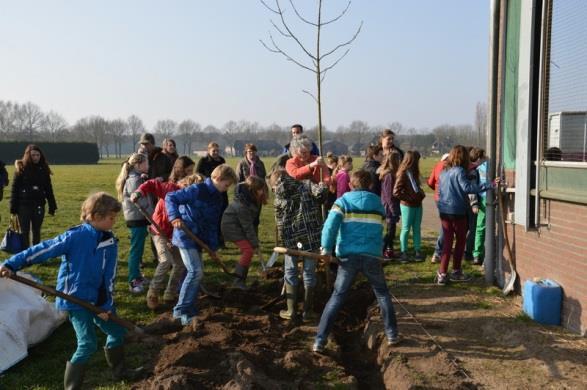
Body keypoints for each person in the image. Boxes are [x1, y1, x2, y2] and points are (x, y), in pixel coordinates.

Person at [0, 192, 141, 389]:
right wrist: (12, 264)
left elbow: (109, 277)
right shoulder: (75, 237)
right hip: (74, 300)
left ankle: (121, 372)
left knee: (116, 332)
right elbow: (43, 249)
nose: (114, 221)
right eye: (111, 217)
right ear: (96, 216)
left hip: (99, 300)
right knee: (87, 344)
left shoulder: (110, 243)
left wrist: (106, 305)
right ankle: (71, 387)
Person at [312, 170, 400, 353]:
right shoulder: (377, 203)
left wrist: (326, 250)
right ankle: (392, 334)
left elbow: (330, 227)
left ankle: (319, 341)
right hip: (372, 256)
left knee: (337, 296)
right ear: (370, 186)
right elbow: (382, 229)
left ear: (351, 185)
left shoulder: (342, 202)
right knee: (382, 294)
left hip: (348, 257)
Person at [166, 164, 237, 329]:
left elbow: (212, 224)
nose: (226, 189)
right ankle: (180, 311)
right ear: (218, 178)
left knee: (197, 272)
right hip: (185, 235)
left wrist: (212, 247)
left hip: (199, 239)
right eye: (226, 185)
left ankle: (190, 308)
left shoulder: (218, 198)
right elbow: (171, 197)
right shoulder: (197, 189)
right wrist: (174, 217)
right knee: (195, 270)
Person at [130, 156, 197, 309]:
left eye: (192, 173)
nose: (190, 175)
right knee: (165, 261)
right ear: (180, 173)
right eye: (187, 172)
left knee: (180, 264)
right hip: (158, 230)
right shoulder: (169, 188)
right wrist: (138, 193)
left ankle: (170, 292)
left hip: (174, 234)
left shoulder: (190, 195)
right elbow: (151, 183)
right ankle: (152, 292)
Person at [270, 168, 328, 321]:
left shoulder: (278, 197)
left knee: (290, 271)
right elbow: (321, 195)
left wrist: (285, 239)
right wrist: (322, 186)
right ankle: (307, 312)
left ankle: (291, 311)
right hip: (310, 237)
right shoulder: (306, 185)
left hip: (290, 240)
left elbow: (279, 222)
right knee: (309, 272)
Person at [436, 145, 496, 285]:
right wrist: (489, 185)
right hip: (457, 212)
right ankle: (456, 271)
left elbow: (439, 191)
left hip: (444, 211)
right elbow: (467, 188)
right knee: (460, 242)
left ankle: (442, 274)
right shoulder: (460, 171)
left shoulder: (444, 172)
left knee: (447, 243)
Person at [221, 176, 268, 289]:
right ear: (253, 190)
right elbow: (247, 226)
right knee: (248, 251)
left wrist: (254, 241)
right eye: (261, 189)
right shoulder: (242, 205)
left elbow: (253, 224)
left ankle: (241, 280)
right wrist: (254, 243)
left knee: (249, 250)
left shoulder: (250, 201)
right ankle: (238, 281)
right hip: (231, 228)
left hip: (239, 227)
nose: (263, 192)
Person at [116, 153, 153, 294]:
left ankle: (138, 276)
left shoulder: (137, 178)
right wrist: (153, 216)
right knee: (136, 250)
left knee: (139, 249)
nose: (148, 166)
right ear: (138, 165)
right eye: (146, 163)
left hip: (139, 217)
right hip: (137, 218)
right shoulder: (134, 180)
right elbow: (141, 203)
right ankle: (133, 280)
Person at [10, 144, 57, 248]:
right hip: (23, 206)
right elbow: (15, 189)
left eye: (37, 155)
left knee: (36, 230)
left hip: (38, 205)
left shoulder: (44, 169)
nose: (35, 157)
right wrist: (13, 207)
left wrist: (52, 205)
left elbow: (49, 189)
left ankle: (36, 253)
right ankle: (25, 254)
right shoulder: (21, 168)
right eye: (33, 155)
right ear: (28, 155)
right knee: (24, 231)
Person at [393, 151, 426, 262]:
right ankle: (404, 252)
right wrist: (409, 198)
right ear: (412, 160)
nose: (418, 162)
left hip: (418, 204)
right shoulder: (402, 173)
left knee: (417, 228)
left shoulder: (414, 172)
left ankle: (417, 251)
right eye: (417, 160)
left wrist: (421, 193)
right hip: (407, 205)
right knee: (406, 229)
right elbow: (396, 192)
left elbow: (417, 186)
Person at [196, 142, 228, 247]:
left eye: (217, 151)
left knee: (221, 217)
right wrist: (208, 180)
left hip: (221, 192)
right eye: (213, 150)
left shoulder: (222, 161)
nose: (216, 153)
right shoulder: (203, 161)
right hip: (209, 192)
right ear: (209, 150)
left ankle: (220, 240)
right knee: (210, 217)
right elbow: (197, 173)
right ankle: (207, 240)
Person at [379, 150, 402, 259]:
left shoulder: (391, 173)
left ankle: (388, 251)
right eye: (398, 159)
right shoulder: (389, 175)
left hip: (391, 206)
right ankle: (380, 252)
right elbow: (389, 195)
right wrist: (393, 210)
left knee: (391, 231)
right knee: (390, 232)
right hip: (389, 207)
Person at [427, 153, 449, 264]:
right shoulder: (451, 167)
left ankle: (441, 251)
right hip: (447, 200)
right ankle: (438, 252)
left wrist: (435, 189)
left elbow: (430, 182)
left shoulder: (437, 166)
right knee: (445, 227)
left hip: (438, 198)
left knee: (444, 225)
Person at [472, 150, 489, 265]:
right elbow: (473, 186)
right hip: (484, 198)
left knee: (481, 228)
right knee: (481, 227)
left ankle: (478, 254)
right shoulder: (476, 169)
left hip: (485, 197)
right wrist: (474, 202)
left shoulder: (478, 168)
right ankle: (478, 254)